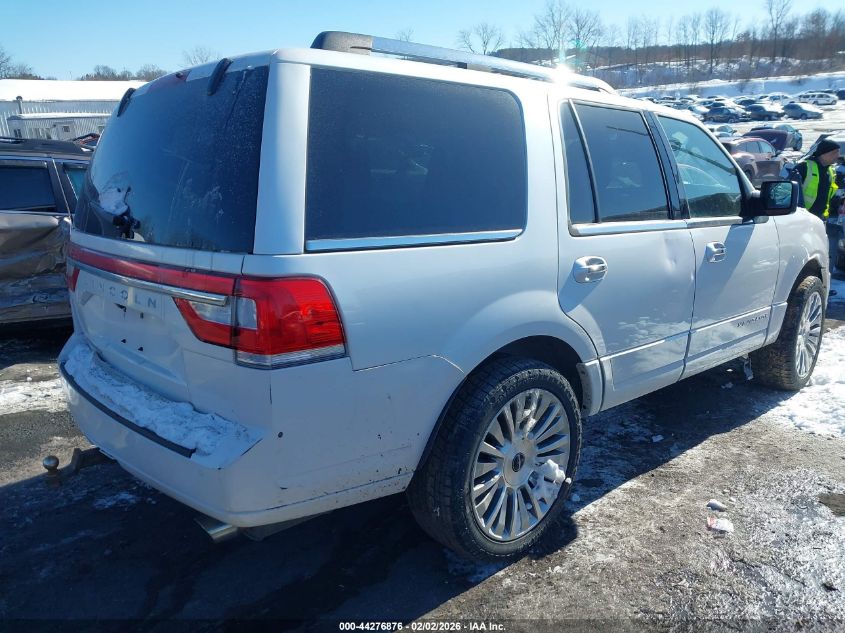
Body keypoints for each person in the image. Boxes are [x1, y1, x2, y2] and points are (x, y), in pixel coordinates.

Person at [795, 139, 841, 283]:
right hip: (802, 218)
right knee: (803, 252)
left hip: (820, 218)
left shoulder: (830, 171)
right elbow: (791, 189)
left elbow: (830, 192)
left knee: (819, 251)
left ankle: (819, 280)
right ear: (825, 153)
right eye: (835, 153)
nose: (837, 157)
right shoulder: (804, 167)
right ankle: (801, 280)